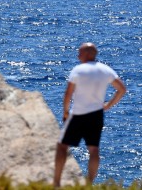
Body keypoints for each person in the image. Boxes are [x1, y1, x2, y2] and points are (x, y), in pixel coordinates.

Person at [53, 42, 126, 187]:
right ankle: (89, 184)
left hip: (78, 114)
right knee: (93, 149)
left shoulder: (78, 70)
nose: (78, 55)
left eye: (80, 52)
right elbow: (122, 89)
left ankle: (56, 182)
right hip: (96, 115)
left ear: (87, 54)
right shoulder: (106, 70)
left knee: (62, 147)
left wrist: (65, 112)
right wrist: (108, 105)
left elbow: (68, 93)